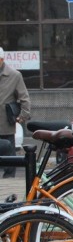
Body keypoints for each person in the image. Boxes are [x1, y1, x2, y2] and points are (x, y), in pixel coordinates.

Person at [0, 47, 30, 178]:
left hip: (5, 122)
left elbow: (24, 97)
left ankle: (9, 179)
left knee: (9, 154)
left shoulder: (14, 75)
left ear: (1, 60)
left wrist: (22, 116)